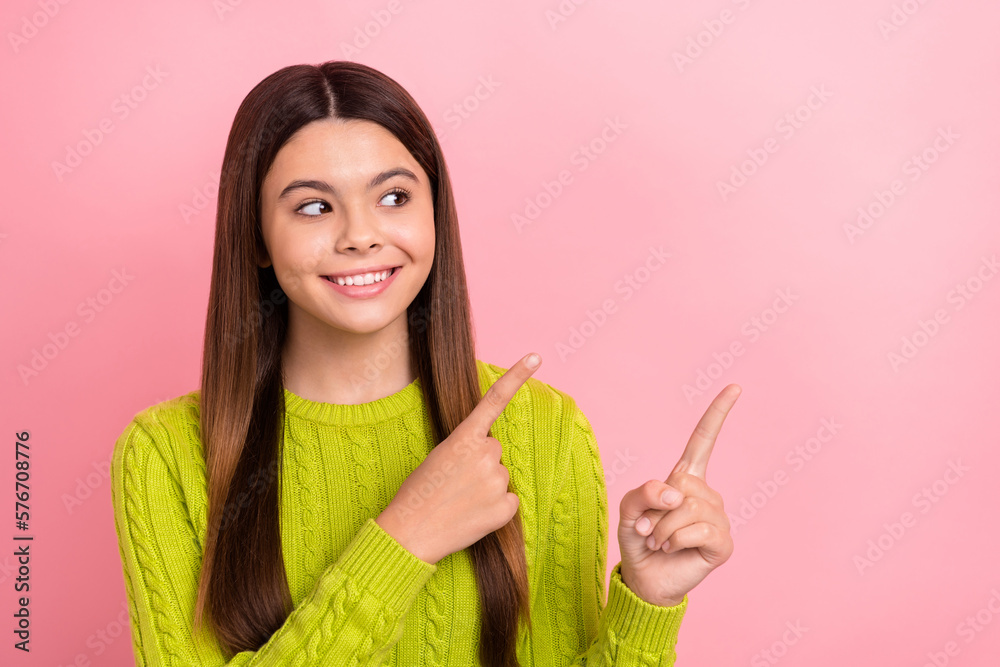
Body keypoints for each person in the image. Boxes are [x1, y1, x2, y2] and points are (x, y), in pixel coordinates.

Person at [110, 59, 739, 667]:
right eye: (312, 206)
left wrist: (648, 605)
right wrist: (407, 536)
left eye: (393, 197)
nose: (360, 234)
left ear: (434, 213)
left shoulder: (545, 430)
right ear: (255, 237)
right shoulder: (166, 455)